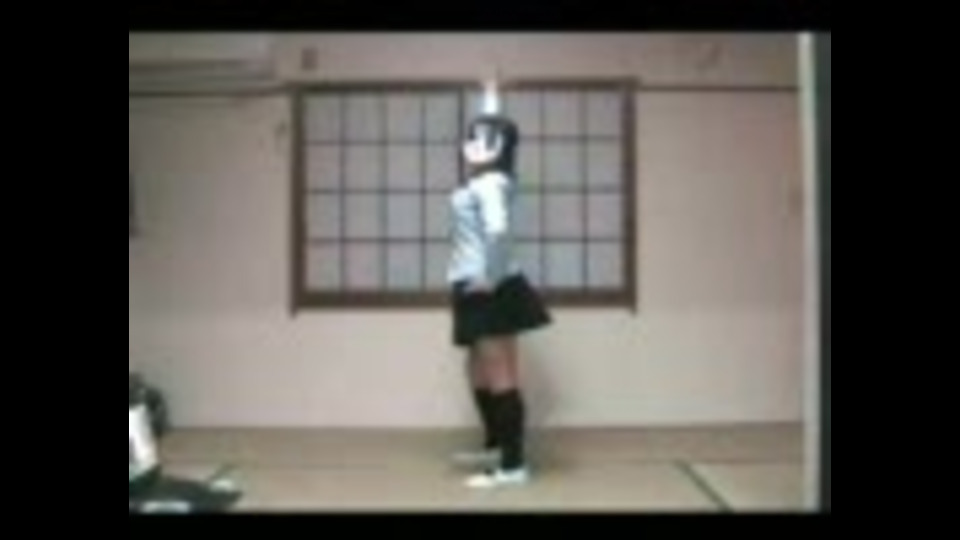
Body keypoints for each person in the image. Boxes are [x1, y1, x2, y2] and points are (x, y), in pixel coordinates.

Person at [447, 77, 552, 488]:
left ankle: (512, 465)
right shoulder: (486, 182)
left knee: (499, 372)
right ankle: (497, 445)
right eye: (471, 136)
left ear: (501, 147)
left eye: (483, 139)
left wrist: (489, 278)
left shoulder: (491, 183)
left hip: (488, 285)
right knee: (477, 368)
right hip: (477, 282)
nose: (472, 144)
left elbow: (498, 231)